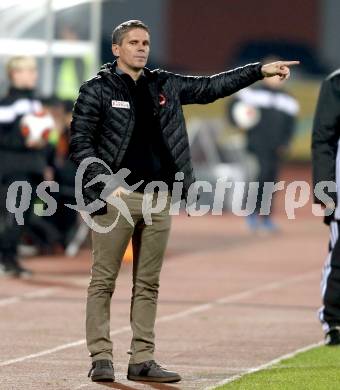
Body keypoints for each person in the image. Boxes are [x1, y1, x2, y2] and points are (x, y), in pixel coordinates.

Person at [70, 19, 299, 383]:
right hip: (117, 199)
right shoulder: (95, 90)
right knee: (104, 281)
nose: (141, 48)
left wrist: (258, 71)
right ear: (117, 49)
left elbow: (212, 87)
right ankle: (101, 357)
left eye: (145, 42)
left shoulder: (165, 84)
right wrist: (106, 184)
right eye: (133, 43)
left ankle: (142, 357)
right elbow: (80, 143)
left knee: (148, 283)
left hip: (160, 196)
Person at [228, 59, 299, 233]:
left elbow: (290, 126)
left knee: (271, 181)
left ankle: (266, 217)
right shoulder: (251, 94)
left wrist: (285, 143)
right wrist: (238, 121)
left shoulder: (289, 101)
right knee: (258, 177)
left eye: (281, 74)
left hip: (276, 147)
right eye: (274, 73)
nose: (277, 78)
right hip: (255, 145)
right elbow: (232, 109)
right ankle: (251, 213)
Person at [0, 56, 49, 277]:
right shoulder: (8, 104)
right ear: (15, 74)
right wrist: (24, 140)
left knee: (24, 216)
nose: (33, 75)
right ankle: (7, 259)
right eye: (28, 71)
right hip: (13, 168)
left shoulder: (35, 103)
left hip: (32, 167)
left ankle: (10, 257)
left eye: (34, 71)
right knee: (14, 214)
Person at [312, 68, 340, 345]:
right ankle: (334, 321)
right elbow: (323, 139)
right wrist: (325, 188)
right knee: (339, 260)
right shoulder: (336, 83)